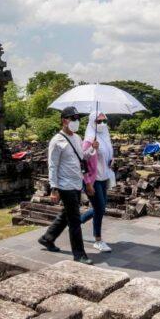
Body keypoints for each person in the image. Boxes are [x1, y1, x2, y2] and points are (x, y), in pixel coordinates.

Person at [38, 106, 94, 264]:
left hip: (76, 183)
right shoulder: (57, 141)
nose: (77, 121)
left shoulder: (77, 138)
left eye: (78, 119)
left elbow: (81, 157)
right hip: (64, 185)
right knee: (75, 220)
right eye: (73, 119)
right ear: (64, 120)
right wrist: (54, 188)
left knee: (66, 215)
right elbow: (52, 165)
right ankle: (79, 254)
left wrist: (91, 150)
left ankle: (47, 238)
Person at [81, 111, 113, 252]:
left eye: (104, 121)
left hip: (104, 177)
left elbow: (107, 157)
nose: (102, 124)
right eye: (98, 121)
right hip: (93, 180)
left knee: (100, 208)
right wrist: (87, 183)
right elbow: (82, 161)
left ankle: (77, 221)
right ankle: (98, 240)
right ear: (92, 122)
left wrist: (111, 160)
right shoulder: (89, 140)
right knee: (100, 209)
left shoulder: (105, 138)